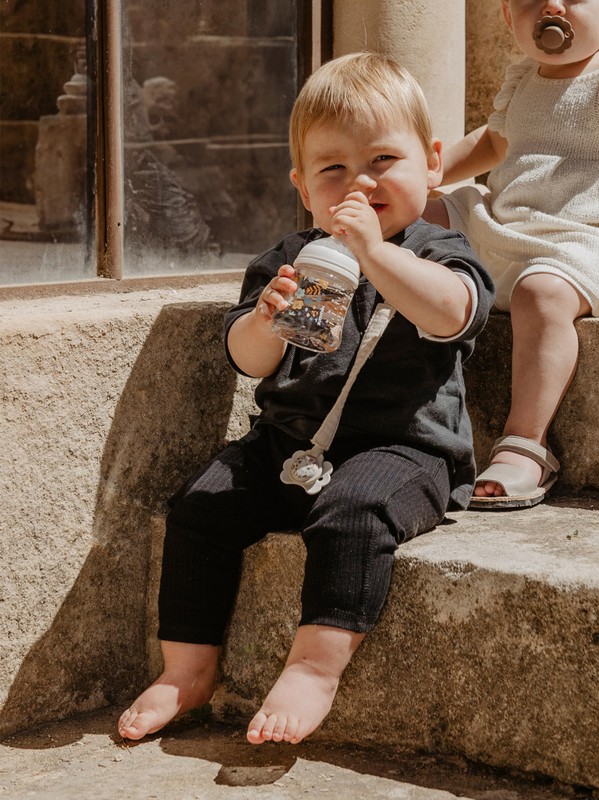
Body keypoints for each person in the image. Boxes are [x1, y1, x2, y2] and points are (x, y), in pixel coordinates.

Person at [117, 52, 494, 746]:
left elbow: (452, 313)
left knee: (353, 512)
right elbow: (246, 359)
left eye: (383, 160)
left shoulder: (438, 251)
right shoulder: (290, 257)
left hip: (403, 451)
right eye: (334, 169)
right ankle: (187, 668)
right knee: (200, 505)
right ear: (302, 186)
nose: (360, 184)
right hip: (291, 444)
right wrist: (265, 320)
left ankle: (315, 668)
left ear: (432, 164)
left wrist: (376, 253)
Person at [425, 0, 599, 509]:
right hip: (509, 228)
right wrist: (427, 174)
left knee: (542, 292)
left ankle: (525, 444)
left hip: (589, 241)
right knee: (422, 210)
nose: (550, 6)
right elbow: (492, 145)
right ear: (507, 17)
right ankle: (358, 276)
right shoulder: (522, 81)